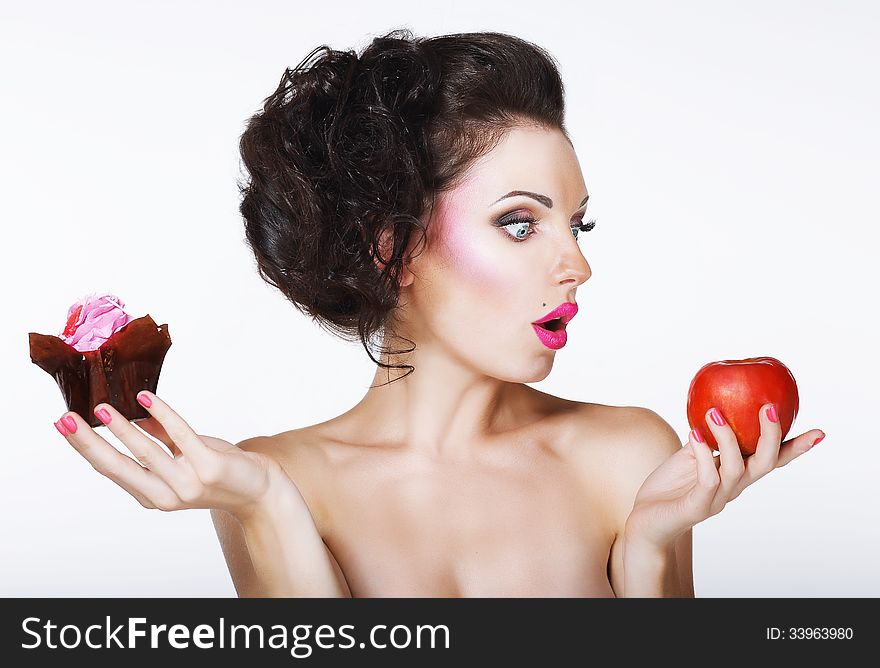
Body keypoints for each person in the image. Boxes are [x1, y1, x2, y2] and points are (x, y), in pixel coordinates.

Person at [54, 28, 823, 597]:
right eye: (520, 223)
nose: (578, 265)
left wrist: (653, 546)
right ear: (396, 248)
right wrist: (267, 507)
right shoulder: (280, 478)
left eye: (576, 224)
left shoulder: (625, 457)